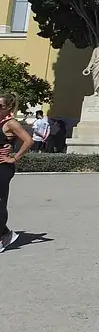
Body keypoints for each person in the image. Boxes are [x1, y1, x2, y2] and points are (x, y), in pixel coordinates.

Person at [0, 94, 34, 253]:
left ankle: (4, 235)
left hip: (3, 167)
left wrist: (14, 157)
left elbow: (28, 140)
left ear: (8, 108)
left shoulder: (11, 123)